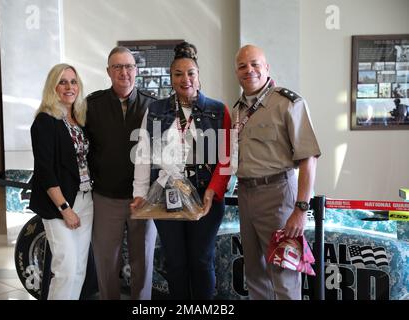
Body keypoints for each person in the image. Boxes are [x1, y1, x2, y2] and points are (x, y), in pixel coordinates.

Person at [131, 41, 231, 299]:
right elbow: (144, 154)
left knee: (200, 260)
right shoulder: (156, 110)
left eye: (190, 73)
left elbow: (227, 158)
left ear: (198, 76)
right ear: (171, 77)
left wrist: (213, 191)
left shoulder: (217, 110)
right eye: (178, 74)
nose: (185, 79)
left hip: (205, 196)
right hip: (166, 193)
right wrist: (140, 193)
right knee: (175, 262)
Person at [232, 45, 321, 300]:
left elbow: (309, 159)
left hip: (279, 195)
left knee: (284, 275)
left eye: (255, 64)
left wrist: (301, 209)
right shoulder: (237, 108)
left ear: (266, 67)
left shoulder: (289, 103)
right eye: (242, 66)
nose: (249, 70)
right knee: (255, 275)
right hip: (246, 195)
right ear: (236, 72)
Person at [85, 46, 157, 300]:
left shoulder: (153, 105)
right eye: (117, 67)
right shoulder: (91, 106)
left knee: (143, 260)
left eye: (128, 66)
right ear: (108, 71)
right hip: (106, 197)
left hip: (144, 200)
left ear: (136, 70)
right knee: (106, 262)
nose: (123, 72)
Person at [29, 63, 93, 300]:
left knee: (78, 270)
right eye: (63, 82)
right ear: (52, 87)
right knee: (65, 269)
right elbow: (45, 171)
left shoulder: (79, 119)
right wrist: (65, 208)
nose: (69, 87)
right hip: (60, 204)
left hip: (86, 200)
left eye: (73, 81)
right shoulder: (45, 121)